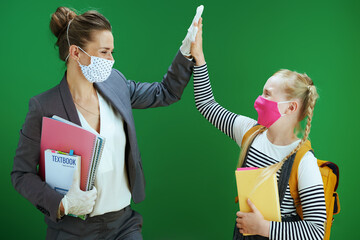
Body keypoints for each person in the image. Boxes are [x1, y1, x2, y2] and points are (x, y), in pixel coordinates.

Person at [11, 6, 201, 239]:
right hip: (73, 230)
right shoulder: (44, 107)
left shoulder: (116, 84)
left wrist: (186, 51)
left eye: (112, 51)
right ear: (76, 52)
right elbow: (21, 174)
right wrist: (63, 204)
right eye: (104, 52)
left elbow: (165, 92)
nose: (112, 60)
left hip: (123, 224)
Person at [190, 19, 327, 239]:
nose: (258, 100)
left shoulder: (304, 161)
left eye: (267, 94)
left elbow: (315, 231)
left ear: (290, 107)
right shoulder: (250, 132)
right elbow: (206, 105)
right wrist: (199, 58)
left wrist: (265, 228)